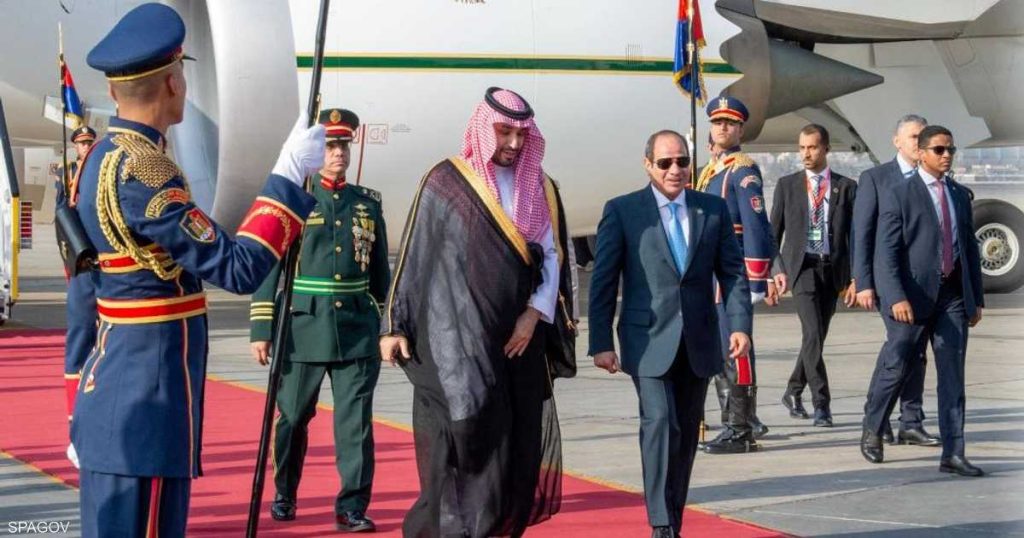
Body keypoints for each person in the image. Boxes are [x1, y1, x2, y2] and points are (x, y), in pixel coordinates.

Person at [70, 4, 322, 536]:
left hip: (109, 392)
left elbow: (86, 285)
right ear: (173, 83)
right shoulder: (148, 171)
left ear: (114, 90)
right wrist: (287, 175)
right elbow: (238, 269)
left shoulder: (97, 159)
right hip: (148, 403)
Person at [379, 87, 577, 538]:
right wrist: (395, 324)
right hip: (457, 341)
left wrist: (533, 315)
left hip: (518, 343)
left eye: (520, 135)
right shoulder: (446, 181)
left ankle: (493, 529)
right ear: (485, 130)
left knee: (515, 446)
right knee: (461, 438)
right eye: (504, 132)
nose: (513, 143)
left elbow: (552, 260)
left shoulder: (541, 186)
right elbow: (415, 255)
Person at [589, 129, 752, 538]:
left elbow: (732, 273)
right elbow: (604, 280)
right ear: (648, 165)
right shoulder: (623, 211)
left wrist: (739, 326)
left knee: (684, 436)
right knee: (660, 423)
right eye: (665, 163)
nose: (675, 170)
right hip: (647, 341)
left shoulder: (711, 209)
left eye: (682, 161)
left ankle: (672, 520)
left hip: (699, 340)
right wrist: (600, 343)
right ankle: (661, 523)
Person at [249, 108, 389, 532]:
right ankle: (285, 492)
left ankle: (352, 505)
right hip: (303, 327)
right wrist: (262, 328)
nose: (338, 153)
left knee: (355, 424)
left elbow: (379, 274)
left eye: (343, 145)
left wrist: (385, 324)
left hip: (356, 330)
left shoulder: (366, 203)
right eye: (330, 145)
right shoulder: (294, 199)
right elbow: (268, 265)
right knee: (292, 417)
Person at [861, 125, 984, 477]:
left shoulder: (958, 194)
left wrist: (975, 298)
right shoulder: (900, 193)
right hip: (911, 298)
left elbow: (968, 249)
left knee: (952, 375)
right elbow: (886, 252)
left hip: (951, 297)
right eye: (939, 150)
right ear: (921, 153)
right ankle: (873, 428)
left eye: (950, 150)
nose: (946, 156)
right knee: (897, 365)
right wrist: (895, 296)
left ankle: (953, 452)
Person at [693, 95, 776, 454]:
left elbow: (756, 226)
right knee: (721, 348)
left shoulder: (742, 172)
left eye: (729, 123)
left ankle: (740, 428)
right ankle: (736, 420)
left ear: (741, 129)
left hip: (731, 276)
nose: (722, 128)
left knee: (736, 348)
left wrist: (756, 278)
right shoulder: (711, 171)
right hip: (710, 275)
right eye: (717, 122)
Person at [852, 115, 939, 446]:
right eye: (914, 136)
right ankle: (876, 416)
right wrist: (863, 281)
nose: (919, 142)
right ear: (897, 141)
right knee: (899, 348)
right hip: (889, 281)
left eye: (923, 136)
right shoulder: (877, 178)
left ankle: (910, 421)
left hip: (923, 284)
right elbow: (862, 233)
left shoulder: (932, 178)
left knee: (916, 351)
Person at [770, 124, 857, 427]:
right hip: (801, 268)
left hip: (832, 270)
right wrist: (773, 272)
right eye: (802, 147)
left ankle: (793, 390)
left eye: (812, 147)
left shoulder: (846, 187)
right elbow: (773, 233)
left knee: (816, 337)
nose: (806, 153)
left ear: (826, 149)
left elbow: (855, 237)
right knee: (812, 333)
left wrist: (856, 278)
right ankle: (822, 404)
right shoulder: (787, 185)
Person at [59, 125, 99, 470]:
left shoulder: (103, 168)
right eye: (81, 143)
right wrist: (70, 262)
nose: (85, 147)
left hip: (111, 272)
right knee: (80, 343)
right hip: (85, 271)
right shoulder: (70, 174)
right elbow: (64, 220)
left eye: (88, 142)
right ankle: (77, 426)